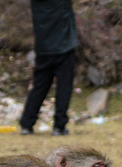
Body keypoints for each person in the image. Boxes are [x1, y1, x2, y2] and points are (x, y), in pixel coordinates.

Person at [20, 0, 79, 136]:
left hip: (43, 48)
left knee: (39, 87)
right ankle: (59, 126)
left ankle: (27, 124)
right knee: (64, 87)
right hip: (64, 47)